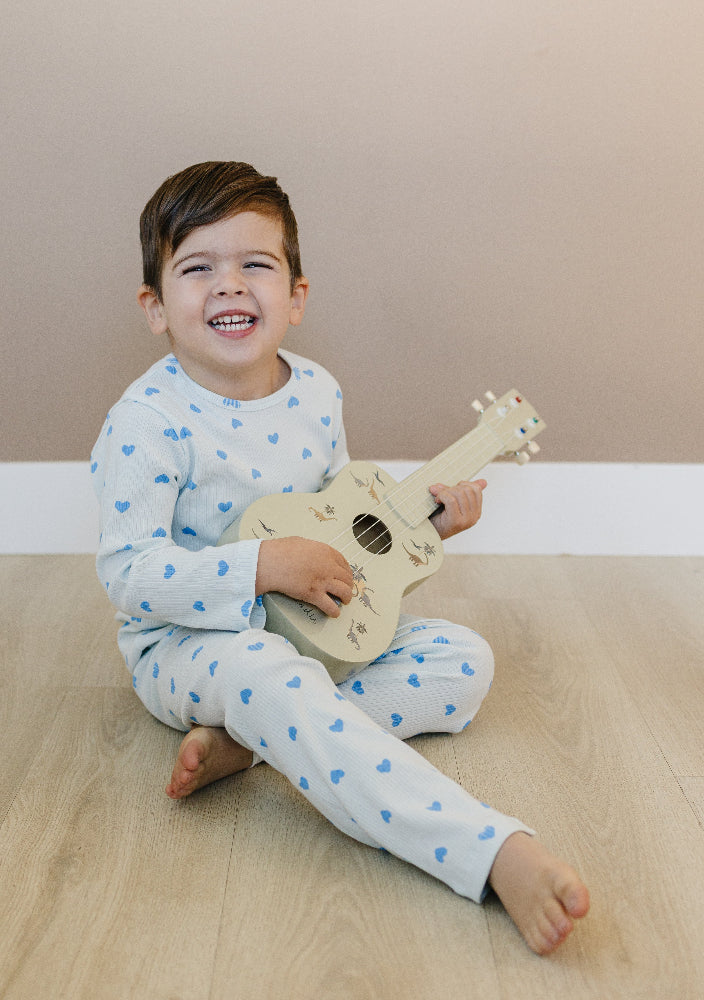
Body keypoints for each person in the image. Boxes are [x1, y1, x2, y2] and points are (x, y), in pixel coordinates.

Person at [91, 161, 589, 955]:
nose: (229, 286)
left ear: (296, 296)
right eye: (198, 268)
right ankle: (492, 853)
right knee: (266, 675)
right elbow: (129, 578)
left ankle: (250, 745)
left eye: (256, 264)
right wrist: (263, 566)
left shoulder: (318, 392)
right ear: (155, 307)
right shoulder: (146, 422)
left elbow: (343, 520)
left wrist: (424, 528)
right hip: (190, 645)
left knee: (465, 661)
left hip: (311, 631)